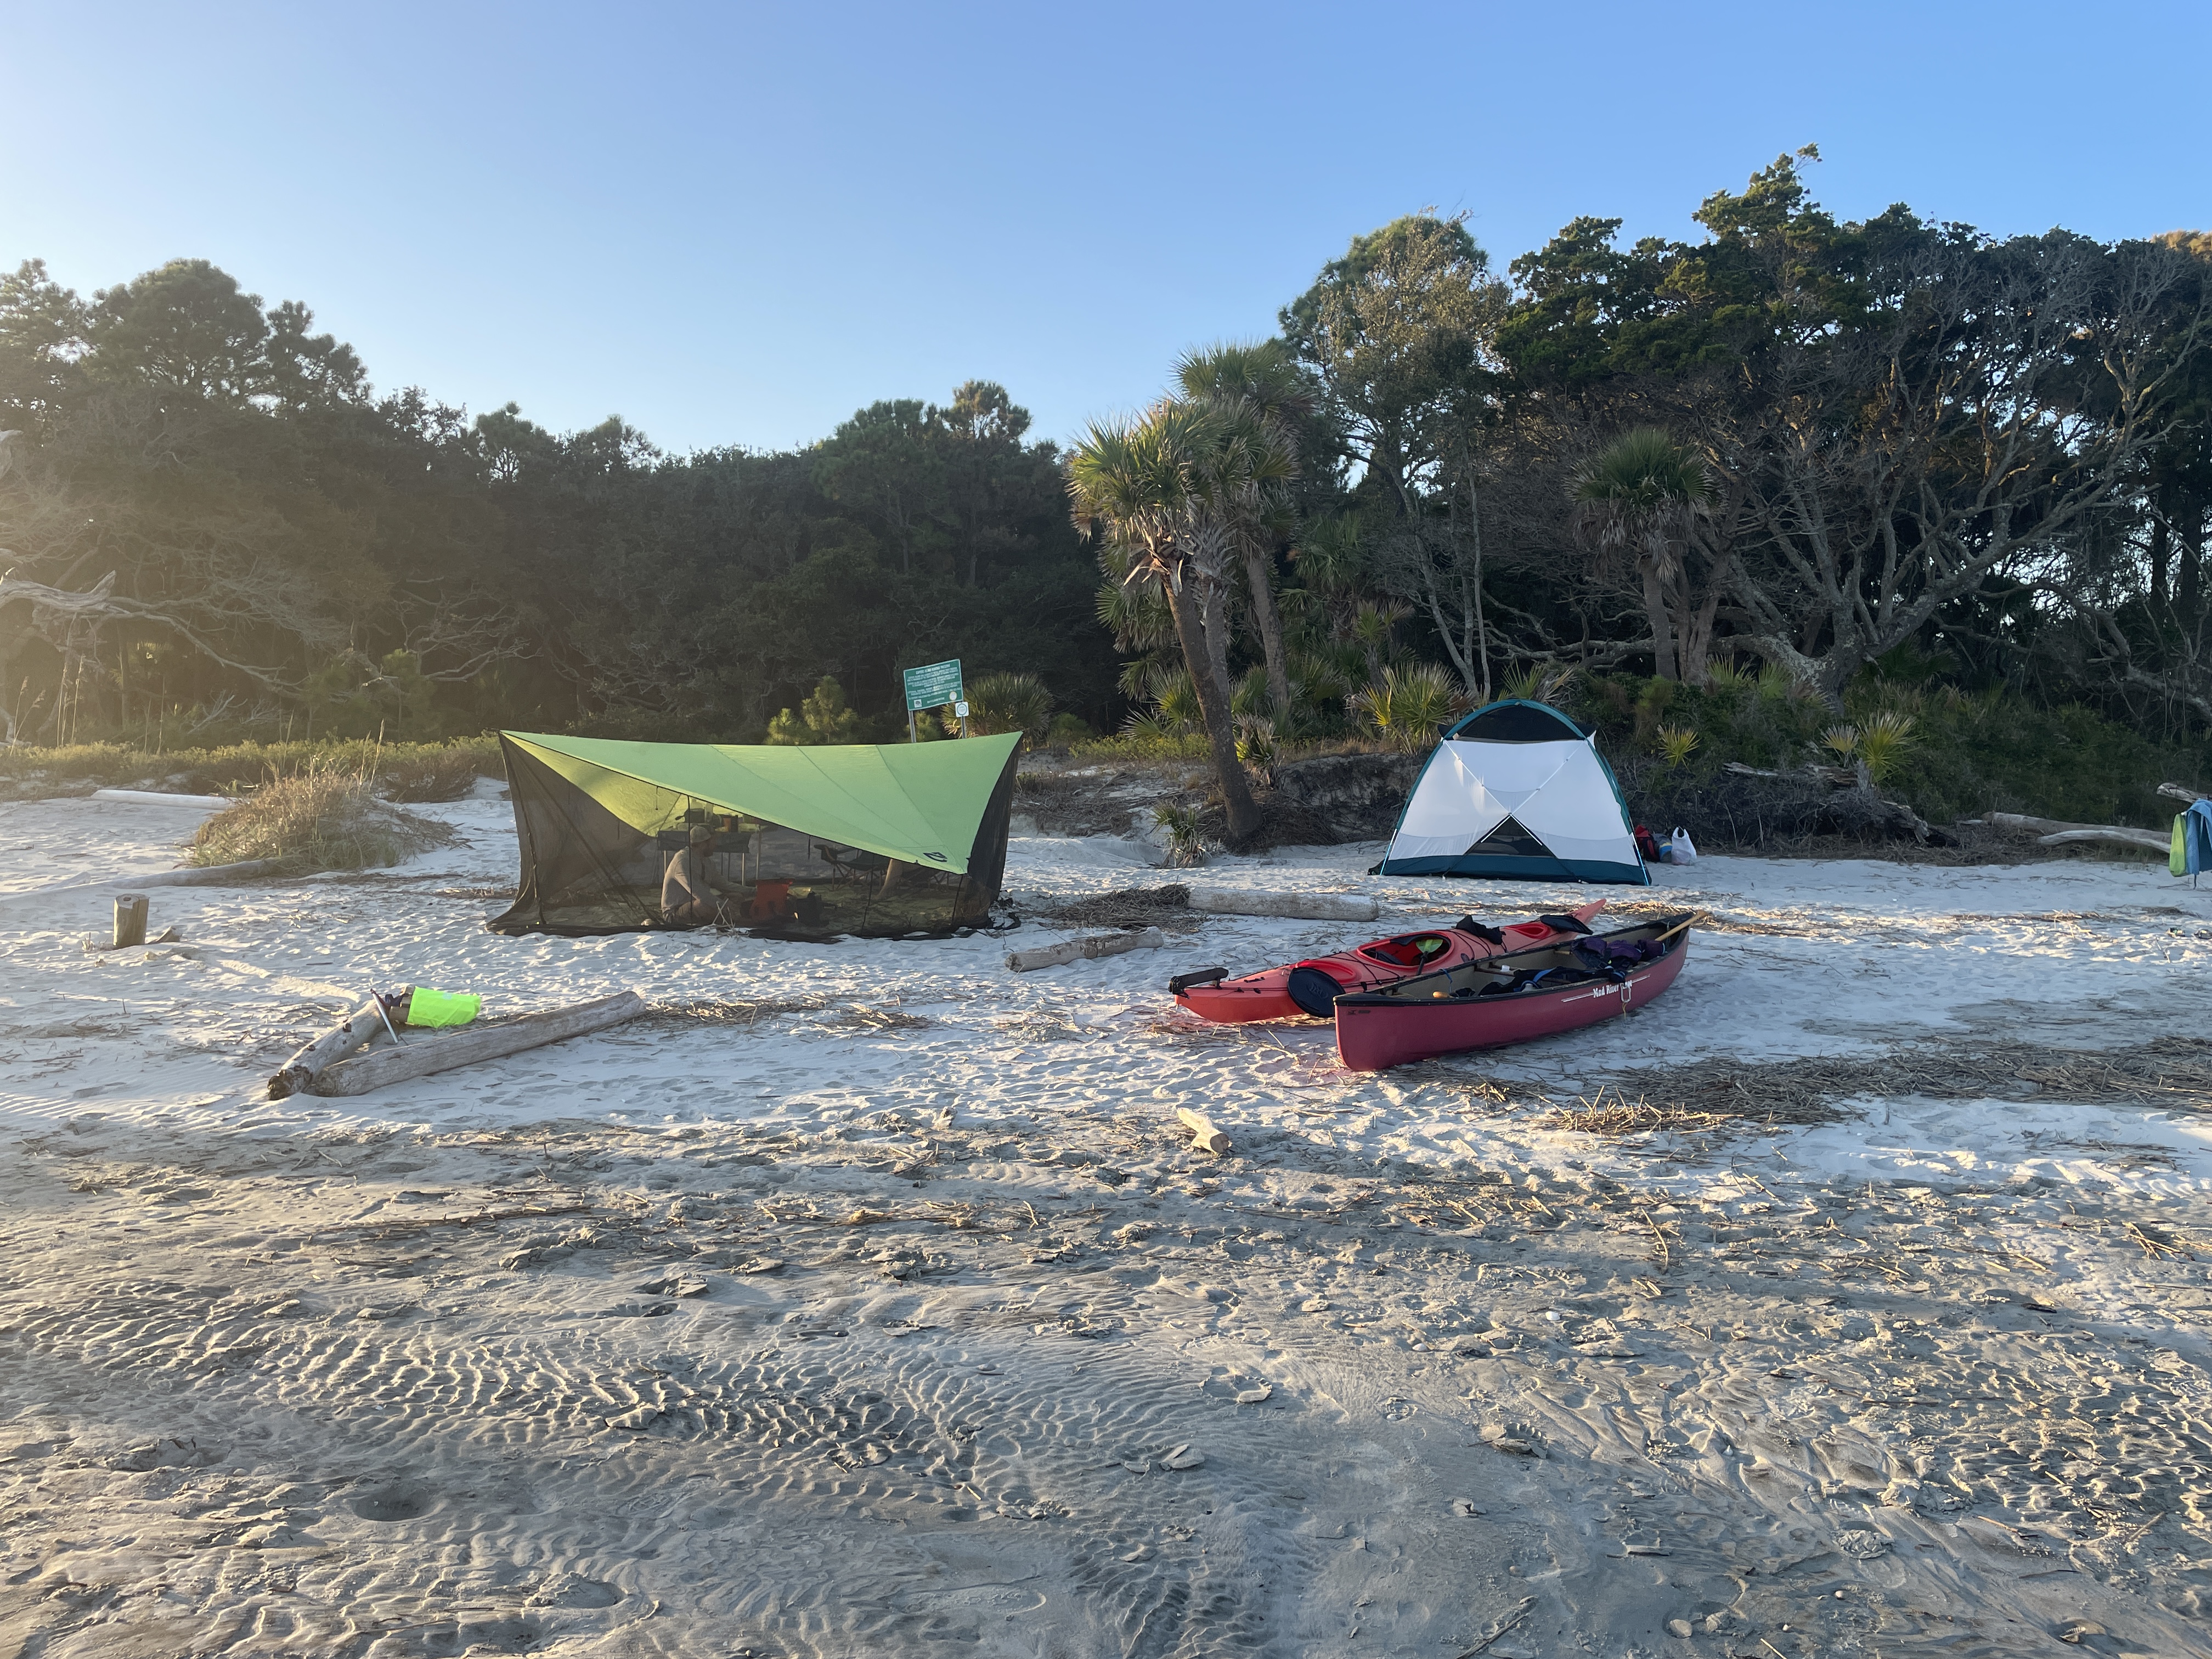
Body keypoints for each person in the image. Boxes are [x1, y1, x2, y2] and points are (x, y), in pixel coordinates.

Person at [662, 823, 741, 925]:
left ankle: (728, 921)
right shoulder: (682, 861)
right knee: (705, 904)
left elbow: (724, 885)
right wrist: (723, 905)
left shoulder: (707, 862)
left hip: (697, 904)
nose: (716, 845)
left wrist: (753, 891)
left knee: (736, 896)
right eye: (714, 841)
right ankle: (730, 923)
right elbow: (699, 894)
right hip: (675, 913)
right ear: (703, 844)